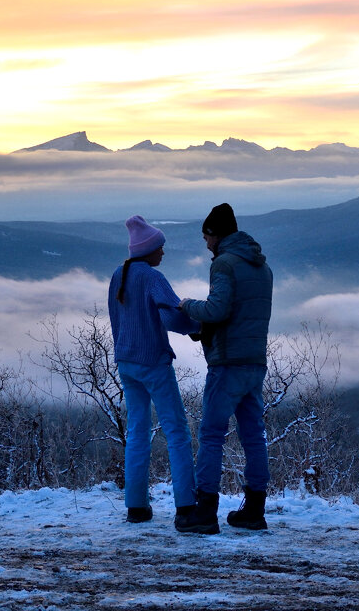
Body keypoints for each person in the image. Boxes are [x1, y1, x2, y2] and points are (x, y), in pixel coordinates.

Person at [179, 202, 273, 533]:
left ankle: (205, 511)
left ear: (216, 235)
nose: (205, 244)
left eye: (206, 237)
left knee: (211, 434)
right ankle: (255, 509)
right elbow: (242, 313)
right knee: (252, 435)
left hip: (227, 363)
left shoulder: (225, 265)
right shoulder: (262, 267)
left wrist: (187, 305)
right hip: (254, 362)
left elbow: (218, 309)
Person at [108, 215, 205, 532]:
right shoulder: (151, 278)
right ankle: (186, 509)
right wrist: (198, 327)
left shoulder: (117, 276)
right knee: (177, 431)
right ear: (147, 250)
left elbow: (116, 321)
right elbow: (171, 319)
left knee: (137, 431)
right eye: (159, 248)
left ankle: (136, 506)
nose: (163, 253)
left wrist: (124, 351)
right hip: (153, 362)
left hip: (127, 363)